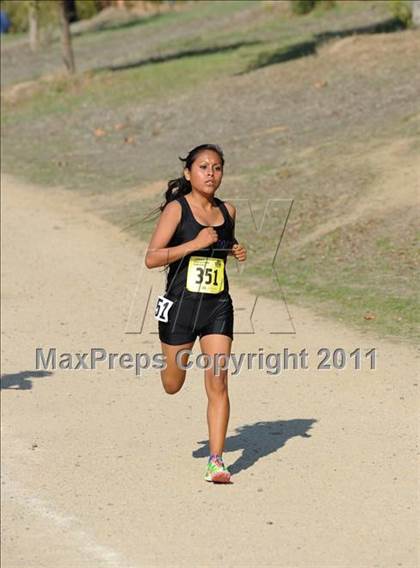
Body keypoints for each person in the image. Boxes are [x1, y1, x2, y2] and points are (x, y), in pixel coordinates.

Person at [144, 143, 246, 483]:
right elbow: (152, 257)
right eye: (203, 167)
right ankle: (169, 362)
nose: (211, 174)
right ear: (189, 173)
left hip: (217, 307)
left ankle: (216, 461)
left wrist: (234, 250)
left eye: (217, 167)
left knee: (218, 380)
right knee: (173, 384)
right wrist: (193, 243)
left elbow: (219, 253)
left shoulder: (228, 210)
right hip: (180, 308)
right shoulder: (177, 209)